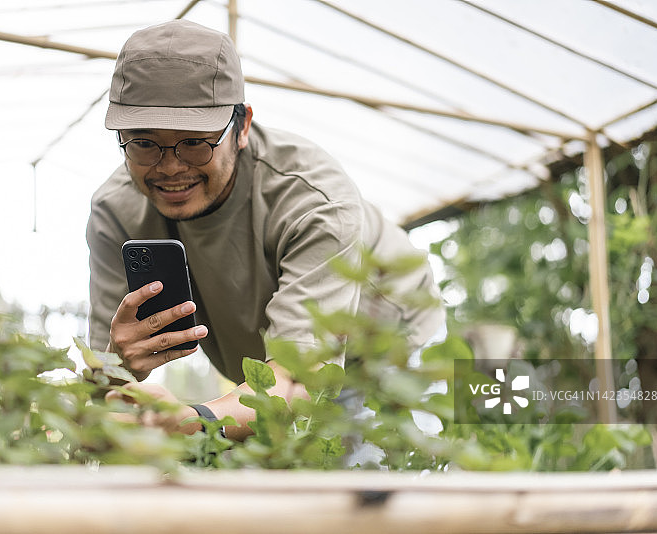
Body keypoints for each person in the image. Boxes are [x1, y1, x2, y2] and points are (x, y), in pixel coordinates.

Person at [87, 19, 445, 441]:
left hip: (385, 357)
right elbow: (101, 387)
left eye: (196, 141)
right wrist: (119, 364)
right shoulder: (116, 210)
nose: (170, 167)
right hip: (262, 379)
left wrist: (196, 421)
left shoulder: (313, 200)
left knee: (369, 493)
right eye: (144, 143)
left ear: (242, 128)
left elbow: (302, 380)